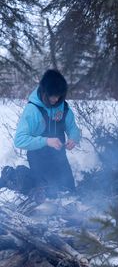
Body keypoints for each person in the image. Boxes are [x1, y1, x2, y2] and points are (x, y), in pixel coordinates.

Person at [14, 69, 80, 198]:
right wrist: (46, 141)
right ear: (44, 92)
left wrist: (74, 138)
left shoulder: (63, 107)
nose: (56, 99)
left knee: (70, 195)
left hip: (60, 159)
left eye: (59, 95)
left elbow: (73, 128)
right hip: (38, 160)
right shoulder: (32, 110)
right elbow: (19, 140)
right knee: (49, 198)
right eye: (52, 95)